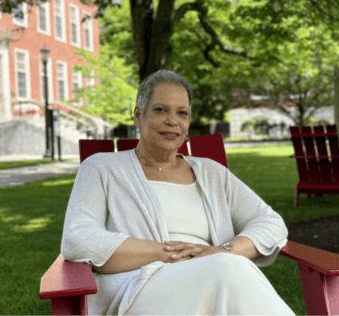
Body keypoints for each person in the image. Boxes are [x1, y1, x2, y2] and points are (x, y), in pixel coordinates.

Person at [61, 70, 296, 315]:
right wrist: (169, 254)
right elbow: (78, 237)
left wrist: (222, 250)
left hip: (218, 276)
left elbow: (270, 223)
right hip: (139, 288)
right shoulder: (101, 168)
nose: (172, 120)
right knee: (228, 270)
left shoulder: (212, 173)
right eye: (161, 109)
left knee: (228, 268)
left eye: (182, 113)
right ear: (139, 116)